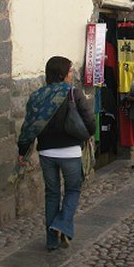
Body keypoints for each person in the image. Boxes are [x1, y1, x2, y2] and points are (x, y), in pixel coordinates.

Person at [18, 56, 96, 251]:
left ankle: (52, 240)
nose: (72, 76)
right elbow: (90, 123)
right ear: (61, 74)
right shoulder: (73, 93)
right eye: (70, 72)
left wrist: (22, 150)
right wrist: (87, 134)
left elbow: (28, 126)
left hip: (46, 153)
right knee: (72, 190)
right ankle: (61, 224)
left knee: (51, 194)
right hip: (70, 152)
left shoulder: (37, 95)